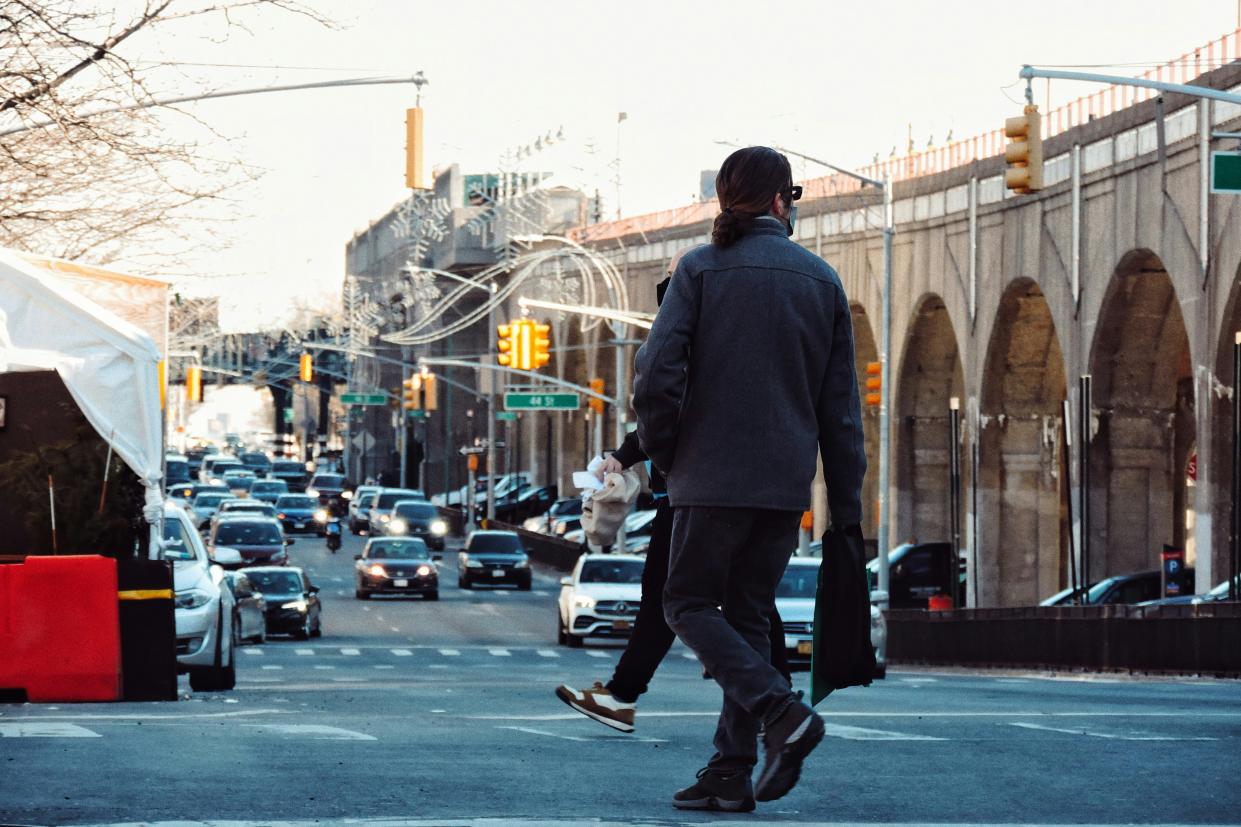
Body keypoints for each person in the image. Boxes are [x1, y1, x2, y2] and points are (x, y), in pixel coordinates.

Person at [632, 146, 866, 811]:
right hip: (783, 487)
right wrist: (843, 507)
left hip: (708, 481)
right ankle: (731, 769)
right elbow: (841, 412)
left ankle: (779, 710)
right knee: (746, 614)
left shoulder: (698, 271)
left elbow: (655, 376)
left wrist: (664, 452)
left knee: (685, 603)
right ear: (777, 201)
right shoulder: (820, 281)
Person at [554, 258, 794, 729]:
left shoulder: (694, 338)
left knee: (676, 598)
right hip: (740, 489)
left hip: (692, 496)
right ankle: (773, 694)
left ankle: (773, 699)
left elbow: (663, 401)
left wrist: (625, 455)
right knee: (742, 598)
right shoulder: (737, 337)